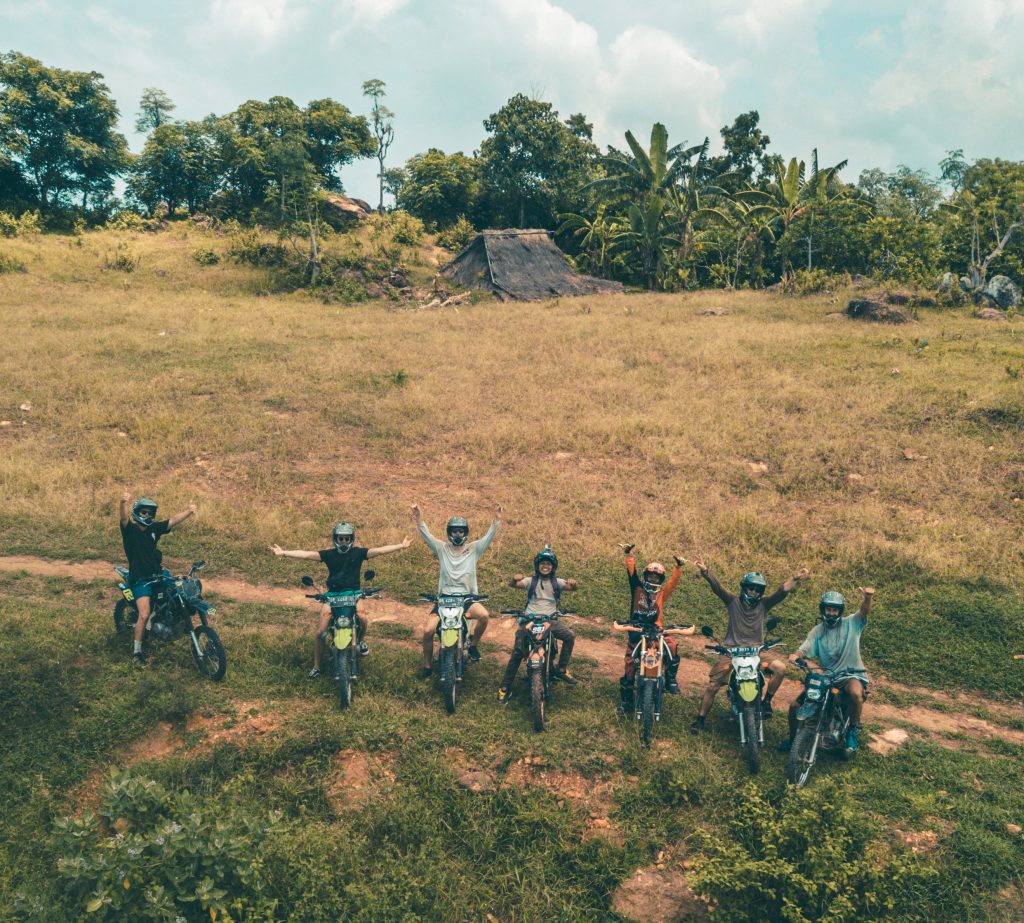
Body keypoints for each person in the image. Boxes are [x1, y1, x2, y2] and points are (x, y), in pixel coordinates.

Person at [270, 522, 412, 678]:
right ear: (335, 539)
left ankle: (361, 641)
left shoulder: (358, 553)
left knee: (363, 617)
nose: (344, 542)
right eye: (341, 538)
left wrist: (401, 545)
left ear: (351, 539)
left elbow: (378, 551)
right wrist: (283, 552)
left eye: (346, 538)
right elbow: (306, 554)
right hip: (332, 596)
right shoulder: (329, 555)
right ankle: (317, 666)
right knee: (320, 632)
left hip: (353, 593)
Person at [689, 557, 808, 733]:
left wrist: (795, 578)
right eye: (750, 588)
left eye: (757, 589)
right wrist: (705, 571)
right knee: (713, 686)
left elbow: (781, 592)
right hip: (731, 652)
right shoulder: (732, 601)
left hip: (757, 653)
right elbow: (718, 589)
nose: (753, 591)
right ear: (744, 588)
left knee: (780, 668)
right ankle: (700, 719)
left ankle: (766, 702)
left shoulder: (764, 604)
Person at [779, 587, 874, 754]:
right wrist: (796, 655)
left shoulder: (852, 622)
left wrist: (867, 598)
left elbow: (865, 611)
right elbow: (805, 648)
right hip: (828, 677)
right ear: (823, 610)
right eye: (828, 609)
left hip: (851, 674)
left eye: (834, 609)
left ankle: (852, 730)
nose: (831, 613)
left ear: (840, 611)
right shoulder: (818, 631)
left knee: (856, 693)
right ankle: (793, 739)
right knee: (795, 706)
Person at [413, 502, 500, 678]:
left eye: (461, 531)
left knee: (484, 616)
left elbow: (488, 537)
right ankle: (427, 666)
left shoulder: (474, 548)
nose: (458, 534)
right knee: (428, 631)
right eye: (454, 531)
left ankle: (473, 645)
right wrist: (418, 518)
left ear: (465, 533)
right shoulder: (442, 548)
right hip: (444, 599)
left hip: (467, 599)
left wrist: (496, 520)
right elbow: (426, 535)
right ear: (449, 533)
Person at [119, 490, 196, 667]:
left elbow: (172, 521)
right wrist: (122, 503)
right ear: (136, 512)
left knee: (177, 592)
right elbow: (123, 519)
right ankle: (137, 652)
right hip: (140, 580)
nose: (147, 515)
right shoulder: (130, 531)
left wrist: (189, 511)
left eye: (150, 513)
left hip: (158, 574)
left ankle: (172, 622)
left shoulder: (154, 529)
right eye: (143, 512)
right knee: (144, 614)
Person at [615, 544, 693, 715]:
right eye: (650, 575)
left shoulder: (662, 594)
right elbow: (631, 573)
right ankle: (626, 702)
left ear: (661, 580)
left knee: (671, 646)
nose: (653, 579)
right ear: (645, 576)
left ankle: (671, 678)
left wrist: (678, 568)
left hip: (656, 629)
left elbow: (672, 584)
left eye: (657, 577)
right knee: (629, 664)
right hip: (636, 629)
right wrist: (629, 555)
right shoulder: (637, 588)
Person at [498, 545, 579, 704]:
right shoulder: (531, 581)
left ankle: (561, 669)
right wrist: (514, 580)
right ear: (537, 565)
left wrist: (574, 583)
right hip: (529, 620)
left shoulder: (557, 582)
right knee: (517, 652)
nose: (545, 566)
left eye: (548, 564)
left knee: (569, 636)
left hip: (550, 620)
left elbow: (573, 588)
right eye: (542, 563)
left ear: (553, 567)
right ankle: (504, 688)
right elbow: (514, 585)